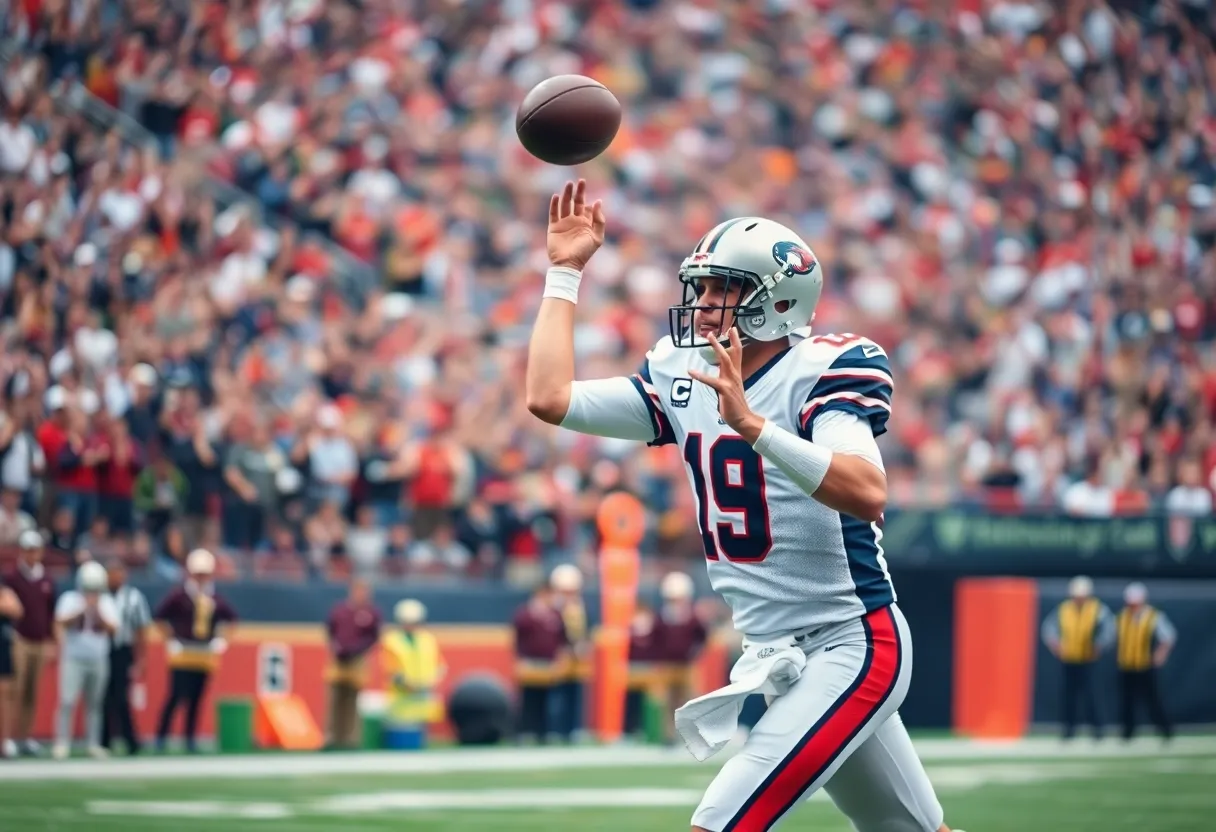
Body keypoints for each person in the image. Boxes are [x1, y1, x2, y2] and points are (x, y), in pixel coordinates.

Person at [525, 180, 961, 832]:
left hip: (852, 641)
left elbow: (868, 492)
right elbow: (550, 398)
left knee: (719, 825)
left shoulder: (822, 370)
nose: (702, 304)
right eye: (699, 288)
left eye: (722, 288)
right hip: (779, 651)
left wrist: (753, 426)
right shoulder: (684, 373)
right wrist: (564, 273)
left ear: (778, 299)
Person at [153, 549, 237, 753]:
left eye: (204, 574)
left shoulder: (214, 598)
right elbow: (159, 617)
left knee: (197, 699)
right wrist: (170, 639)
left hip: (204, 654)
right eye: (198, 574)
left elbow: (232, 620)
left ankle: (190, 738)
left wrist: (221, 640)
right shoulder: (179, 596)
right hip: (182, 653)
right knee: (175, 696)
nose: (201, 578)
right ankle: (161, 737)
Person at [52, 560, 118, 759]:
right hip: (74, 657)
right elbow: (59, 621)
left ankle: (93, 743)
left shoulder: (107, 602)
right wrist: (81, 610)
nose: (92, 591)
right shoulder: (69, 599)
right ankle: (62, 742)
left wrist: (97, 611)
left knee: (95, 704)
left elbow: (113, 629)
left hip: (98, 658)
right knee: (67, 701)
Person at [3, 529, 57, 757]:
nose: (32, 554)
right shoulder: (12, 577)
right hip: (20, 639)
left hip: (40, 641)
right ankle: (9, 738)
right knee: (16, 689)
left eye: (35, 550)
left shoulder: (46, 579)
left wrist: (52, 641)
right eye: (28, 550)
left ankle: (24, 737)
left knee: (32, 693)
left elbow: (51, 612)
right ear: (22, 551)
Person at [1041, 575, 1115, 740]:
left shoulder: (1097, 609)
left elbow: (1109, 629)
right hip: (1069, 658)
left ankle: (1097, 730)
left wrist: (1099, 645)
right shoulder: (1064, 609)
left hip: (1089, 659)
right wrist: (1056, 645)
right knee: (1069, 696)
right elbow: (1048, 628)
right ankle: (1069, 730)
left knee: (1092, 695)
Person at [325, 578, 382, 749]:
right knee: (336, 697)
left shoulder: (371, 613)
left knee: (353, 698)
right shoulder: (340, 610)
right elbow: (330, 630)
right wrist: (336, 647)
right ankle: (332, 736)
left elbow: (373, 636)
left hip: (357, 659)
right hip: (339, 659)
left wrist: (358, 649)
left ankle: (350, 738)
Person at [1115, 582, 1175, 742]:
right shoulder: (1122, 616)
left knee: (1153, 700)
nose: (1132, 606)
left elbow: (1169, 636)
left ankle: (1165, 731)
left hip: (1145, 665)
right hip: (1126, 665)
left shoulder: (1153, 616)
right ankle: (1128, 733)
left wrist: (1160, 654)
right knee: (1127, 702)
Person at [103, 561, 151, 755]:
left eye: (119, 572)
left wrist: (142, 659)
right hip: (102, 649)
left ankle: (129, 740)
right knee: (103, 697)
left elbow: (141, 630)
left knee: (121, 696)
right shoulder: (100, 596)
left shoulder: (134, 597)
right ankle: (103, 741)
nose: (116, 577)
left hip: (123, 650)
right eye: (112, 573)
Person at [549, 564, 590, 744]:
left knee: (576, 693)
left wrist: (583, 645)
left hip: (577, 658)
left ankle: (574, 728)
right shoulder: (553, 609)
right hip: (558, 658)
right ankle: (555, 729)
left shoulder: (579, 608)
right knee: (556, 694)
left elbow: (584, 630)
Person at [0, 576, 23, 759]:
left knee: (4, 696)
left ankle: (4, 741)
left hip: (2, 645)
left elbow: (16, 609)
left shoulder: (5, 590)